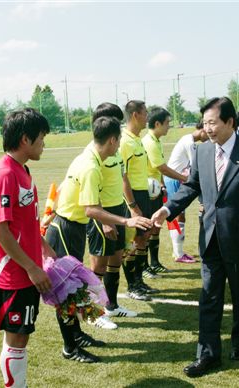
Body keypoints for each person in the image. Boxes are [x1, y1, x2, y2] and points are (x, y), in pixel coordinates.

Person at [152, 97, 239, 377]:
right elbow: (192, 185)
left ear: (230, 122)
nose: (208, 128)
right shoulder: (202, 152)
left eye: (213, 122)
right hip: (210, 240)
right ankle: (207, 355)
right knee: (209, 298)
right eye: (205, 123)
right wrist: (167, 208)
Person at [45, 116, 152, 363]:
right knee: (65, 292)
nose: (118, 149)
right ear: (113, 140)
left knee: (73, 289)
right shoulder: (91, 166)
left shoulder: (89, 157)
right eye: (118, 143)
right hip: (65, 230)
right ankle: (70, 347)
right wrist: (126, 221)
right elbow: (91, 208)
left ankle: (77, 335)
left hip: (72, 227)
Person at [0, 108, 54, 387]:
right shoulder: (5, 174)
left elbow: (26, 224)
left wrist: (47, 251)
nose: (44, 144)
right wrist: (32, 268)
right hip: (12, 275)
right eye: (41, 138)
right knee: (16, 337)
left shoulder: (23, 170)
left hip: (26, 271)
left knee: (21, 336)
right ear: (25, 139)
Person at [85, 103, 138, 330]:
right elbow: (90, 196)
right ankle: (93, 314)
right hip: (102, 213)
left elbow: (122, 178)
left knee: (116, 260)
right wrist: (104, 220)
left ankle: (112, 306)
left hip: (118, 210)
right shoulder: (95, 153)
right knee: (99, 265)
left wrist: (131, 206)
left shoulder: (115, 149)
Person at [142, 107, 190, 272]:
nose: (169, 126)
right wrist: (184, 178)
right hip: (146, 193)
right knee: (147, 230)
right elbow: (162, 167)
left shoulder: (155, 141)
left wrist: (162, 185)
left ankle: (154, 264)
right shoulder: (149, 142)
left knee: (155, 227)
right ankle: (145, 266)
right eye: (167, 123)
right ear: (157, 123)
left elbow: (158, 170)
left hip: (155, 191)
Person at [119, 100, 158, 301]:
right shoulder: (124, 141)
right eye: (145, 113)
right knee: (132, 242)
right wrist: (132, 206)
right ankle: (132, 285)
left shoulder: (137, 139)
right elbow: (122, 176)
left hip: (143, 194)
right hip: (133, 197)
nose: (147, 117)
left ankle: (139, 281)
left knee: (143, 237)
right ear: (135, 115)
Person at [164, 121, 208, 263]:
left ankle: (177, 251)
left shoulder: (189, 140)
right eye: (207, 132)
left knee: (177, 215)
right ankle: (178, 253)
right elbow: (196, 165)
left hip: (174, 179)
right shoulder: (189, 142)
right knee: (178, 215)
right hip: (174, 179)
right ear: (202, 130)